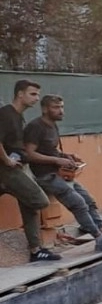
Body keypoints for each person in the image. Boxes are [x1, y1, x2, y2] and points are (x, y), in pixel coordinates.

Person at [23, 95, 102, 252]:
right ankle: (99, 239)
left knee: (88, 200)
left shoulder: (52, 125)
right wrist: (56, 161)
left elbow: (50, 150)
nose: (61, 111)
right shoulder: (36, 126)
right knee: (78, 203)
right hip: (45, 176)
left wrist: (66, 156)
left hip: (60, 173)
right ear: (44, 109)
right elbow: (29, 154)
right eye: (56, 107)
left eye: (62, 107)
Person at [0, 79, 60, 262]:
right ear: (20, 94)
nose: (37, 98)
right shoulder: (6, 114)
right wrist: (7, 160)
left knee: (29, 205)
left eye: (37, 94)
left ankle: (36, 250)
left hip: (18, 167)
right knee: (39, 201)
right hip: (8, 170)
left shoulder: (18, 115)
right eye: (33, 94)